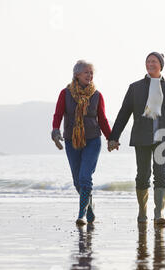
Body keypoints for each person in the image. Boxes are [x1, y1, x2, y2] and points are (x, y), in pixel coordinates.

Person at [108, 52, 165, 225]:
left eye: (154, 61)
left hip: (163, 138)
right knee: (143, 175)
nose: (150, 64)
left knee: (161, 174)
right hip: (142, 136)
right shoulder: (136, 88)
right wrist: (114, 137)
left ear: (161, 65)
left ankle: (159, 213)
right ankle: (142, 211)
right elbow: (124, 113)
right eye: (148, 61)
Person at [51, 60, 111, 226]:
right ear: (77, 74)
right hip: (72, 141)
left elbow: (103, 119)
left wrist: (111, 138)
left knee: (85, 177)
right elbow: (58, 114)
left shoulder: (97, 95)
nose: (90, 76)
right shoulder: (65, 93)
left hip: (92, 140)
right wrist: (55, 131)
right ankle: (89, 208)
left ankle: (81, 214)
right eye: (86, 72)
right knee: (78, 181)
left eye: (91, 73)